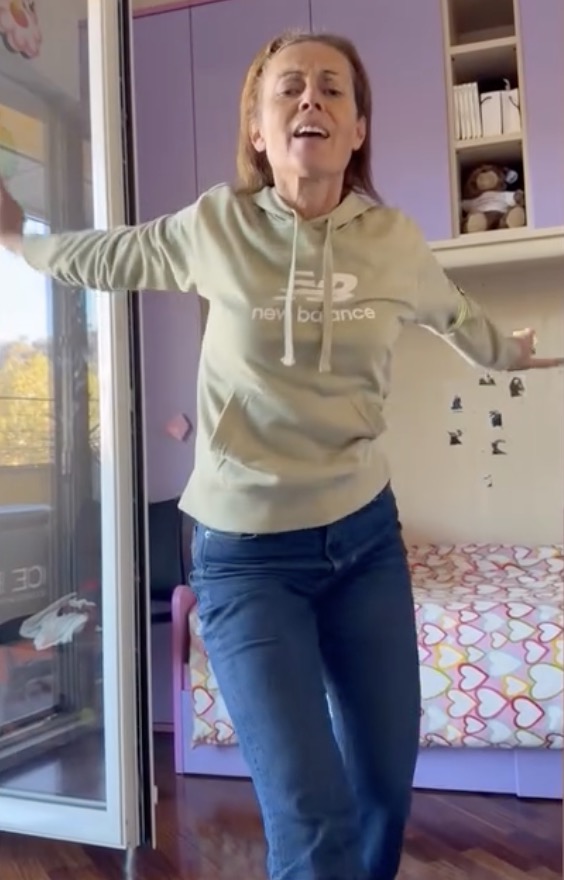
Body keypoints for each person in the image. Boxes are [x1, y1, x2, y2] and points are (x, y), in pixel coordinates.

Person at [0, 29, 562, 880]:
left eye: (333, 88)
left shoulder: (393, 240)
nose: (312, 99)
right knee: (311, 816)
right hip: (248, 561)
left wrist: (508, 353)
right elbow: (105, 256)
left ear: (358, 128)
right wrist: (19, 241)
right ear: (259, 132)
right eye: (290, 87)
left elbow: (457, 318)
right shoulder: (217, 226)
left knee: (382, 792)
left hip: (365, 544)